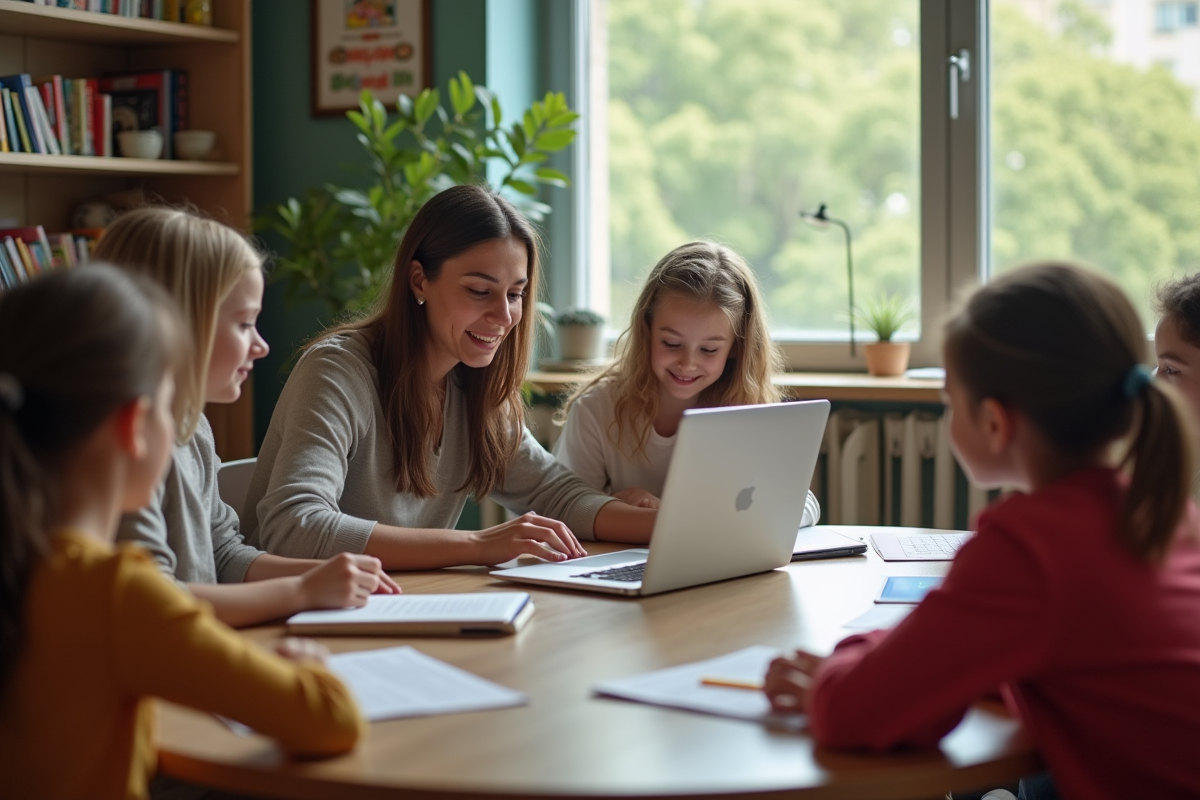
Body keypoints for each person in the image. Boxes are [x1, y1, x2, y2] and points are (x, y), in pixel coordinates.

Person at [763, 263, 1200, 800]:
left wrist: (837, 672)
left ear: (994, 422)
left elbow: (859, 716)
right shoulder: (1165, 513)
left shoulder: (1028, 548)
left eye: (950, 401)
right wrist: (888, 657)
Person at [0, 267, 362, 800]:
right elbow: (330, 719)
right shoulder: (112, 592)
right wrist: (304, 664)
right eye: (171, 405)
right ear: (134, 426)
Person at [242, 185, 656, 569]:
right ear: (419, 279)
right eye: (479, 291)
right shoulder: (337, 372)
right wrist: (478, 545)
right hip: (300, 621)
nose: (504, 315)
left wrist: (675, 525)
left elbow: (557, 493)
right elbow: (292, 527)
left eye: (516, 294)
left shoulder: (475, 386)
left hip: (402, 606)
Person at [95, 207, 399, 630]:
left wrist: (326, 576)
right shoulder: (125, 444)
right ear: (178, 323)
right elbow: (152, 599)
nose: (260, 346)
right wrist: (301, 592)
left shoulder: (191, 426)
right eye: (243, 324)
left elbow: (222, 553)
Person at [553, 240, 820, 524]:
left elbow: (806, 505)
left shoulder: (748, 409)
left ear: (736, 347)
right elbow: (562, 508)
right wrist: (613, 506)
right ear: (646, 330)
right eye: (671, 343)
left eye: (709, 350)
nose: (687, 363)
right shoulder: (597, 410)